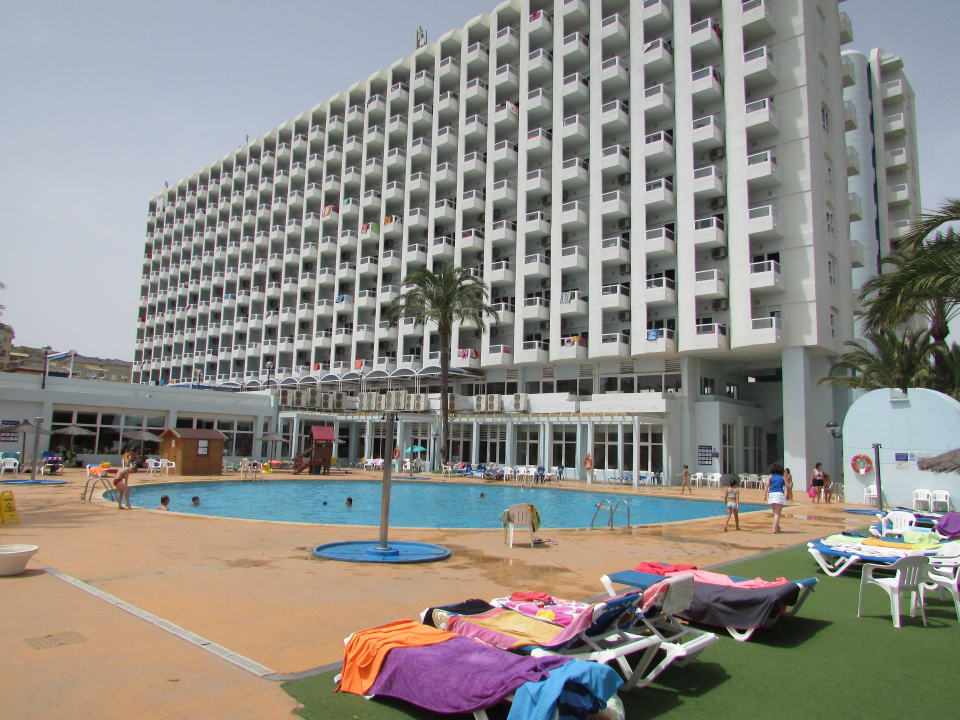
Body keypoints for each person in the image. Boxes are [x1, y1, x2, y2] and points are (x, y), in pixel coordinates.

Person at [765, 464, 788, 533]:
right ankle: (774, 529)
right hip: (779, 495)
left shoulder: (770, 476)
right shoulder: (783, 477)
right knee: (777, 513)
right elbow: (787, 486)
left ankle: (777, 527)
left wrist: (765, 495)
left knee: (775, 512)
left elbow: (767, 486)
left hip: (771, 495)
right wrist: (788, 494)